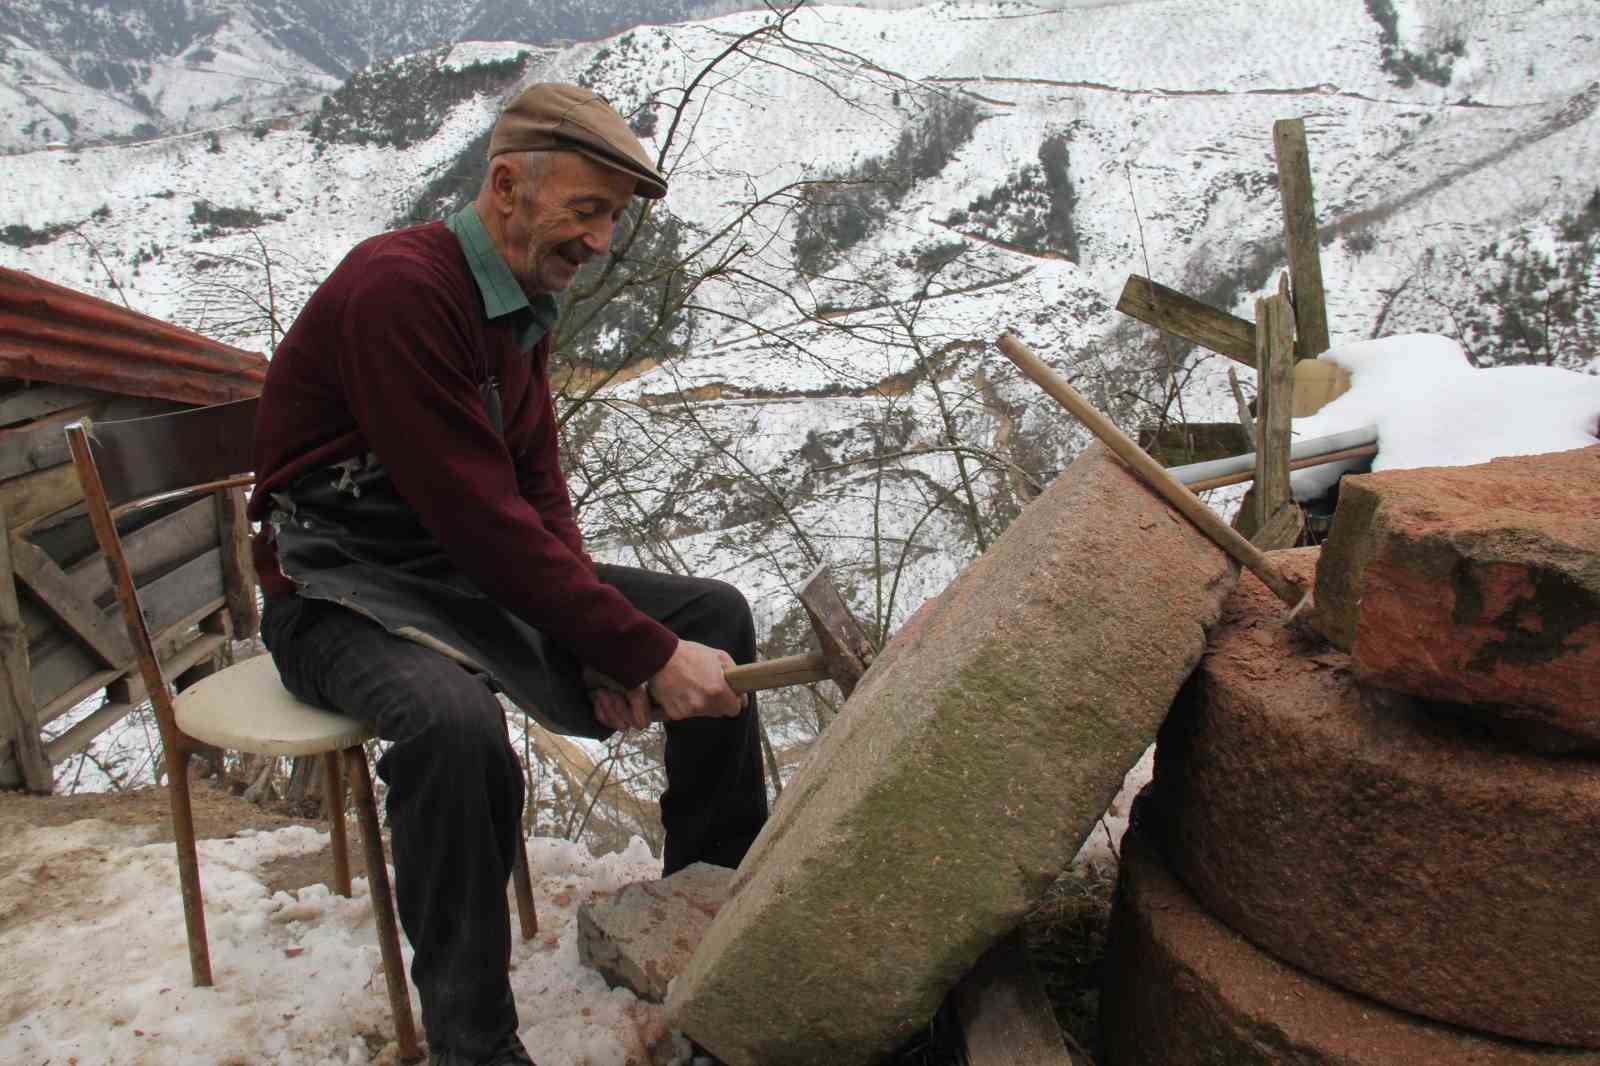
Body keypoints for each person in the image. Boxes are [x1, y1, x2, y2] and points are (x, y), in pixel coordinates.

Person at [248, 84, 769, 1066]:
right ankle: (472, 1043)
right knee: (452, 728)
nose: (601, 241)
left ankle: (709, 910)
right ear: (504, 187)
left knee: (713, 614)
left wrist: (606, 639)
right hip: (334, 595)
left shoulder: (517, 300)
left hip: (454, 573)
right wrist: (637, 650)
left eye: (612, 218)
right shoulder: (400, 291)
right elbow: (480, 519)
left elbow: (534, 488)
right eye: (587, 210)